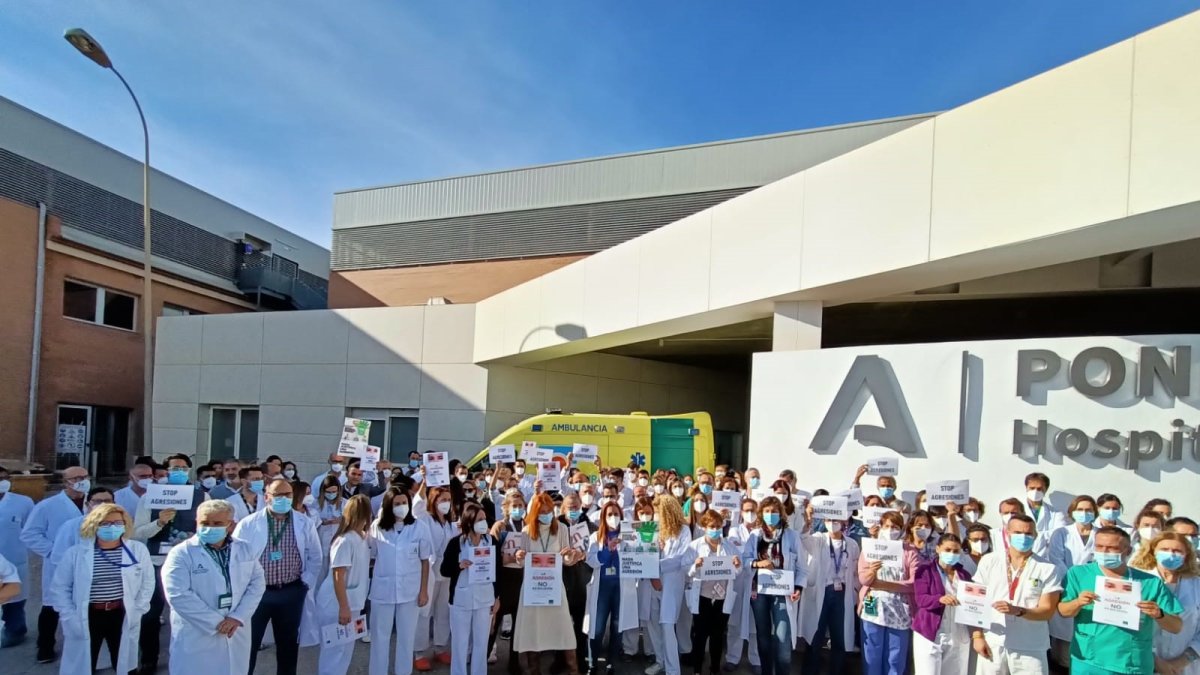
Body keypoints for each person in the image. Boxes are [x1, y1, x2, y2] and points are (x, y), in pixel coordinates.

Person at [1059, 525, 1183, 674]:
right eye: (1099, 546)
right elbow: (1063, 611)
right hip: (1089, 659)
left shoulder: (1150, 582)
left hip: (1132, 662)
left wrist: (1159, 614)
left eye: (1112, 548)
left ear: (1128, 551)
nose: (1104, 552)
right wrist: (1078, 602)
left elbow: (1176, 627)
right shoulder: (1078, 574)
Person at [162, 499, 266, 675]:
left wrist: (237, 617)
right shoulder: (181, 553)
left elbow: (257, 583)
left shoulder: (244, 548)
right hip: (198, 632)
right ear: (196, 523)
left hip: (235, 627)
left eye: (217, 523)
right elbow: (177, 594)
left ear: (231, 525)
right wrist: (216, 623)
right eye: (204, 523)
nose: (210, 528)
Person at [49, 503, 155, 675]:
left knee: (124, 665)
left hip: (122, 612)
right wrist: (68, 615)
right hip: (88, 614)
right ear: (93, 525)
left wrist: (139, 609)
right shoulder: (75, 553)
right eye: (105, 524)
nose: (112, 527)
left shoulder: (137, 550)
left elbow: (148, 582)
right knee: (83, 665)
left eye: (117, 523)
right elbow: (60, 588)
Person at [233, 477, 323, 675]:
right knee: (249, 644)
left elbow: (316, 556)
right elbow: (237, 560)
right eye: (278, 495)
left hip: (291, 592)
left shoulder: (304, 523)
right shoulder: (248, 524)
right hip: (258, 594)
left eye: (288, 495)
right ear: (267, 497)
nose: (284, 499)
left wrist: (304, 584)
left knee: (288, 646)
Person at [133, 451, 208, 674]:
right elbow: (137, 532)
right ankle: (149, 658)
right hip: (156, 561)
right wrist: (159, 522)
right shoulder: (150, 497)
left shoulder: (201, 497)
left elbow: (211, 525)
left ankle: (190, 657)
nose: (178, 472)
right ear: (166, 472)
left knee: (191, 613)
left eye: (182, 468)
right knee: (151, 615)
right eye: (174, 469)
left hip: (189, 562)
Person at [970, 513, 1062, 675]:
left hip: (1030, 645)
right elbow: (976, 601)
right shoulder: (989, 560)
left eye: (1028, 533)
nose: (1023, 537)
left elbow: (1047, 610)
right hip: (994, 640)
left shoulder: (1047, 568)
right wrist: (977, 636)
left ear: (1035, 535)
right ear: (1007, 533)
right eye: (1018, 533)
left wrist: (1018, 611)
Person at [20, 465, 89, 663]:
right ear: (65, 482)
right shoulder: (48, 506)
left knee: (83, 603)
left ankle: (82, 645)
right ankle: (45, 646)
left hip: (88, 560)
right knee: (52, 605)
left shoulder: (92, 502)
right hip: (58, 563)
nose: (81, 480)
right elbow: (30, 533)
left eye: (84, 476)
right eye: (76, 478)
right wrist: (52, 551)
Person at [513, 492, 584, 675]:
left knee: (565, 633)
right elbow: (522, 561)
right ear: (535, 513)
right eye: (542, 512)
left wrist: (570, 556)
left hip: (554, 588)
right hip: (533, 589)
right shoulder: (527, 531)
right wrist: (519, 556)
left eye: (549, 511)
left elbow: (567, 560)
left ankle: (573, 670)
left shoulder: (561, 529)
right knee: (533, 635)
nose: (546, 515)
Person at [369, 486, 432, 675]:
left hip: (410, 592)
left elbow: (425, 561)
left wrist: (423, 591)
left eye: (404, 503)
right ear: (389, 505)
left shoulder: (419, 527)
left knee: (406, 638)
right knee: (380, 637)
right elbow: (372, 554)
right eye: (397, 504)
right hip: (383, 590)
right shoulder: (377, 526)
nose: (401, 507)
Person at [745, 496, 806, 675]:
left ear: (781, 514)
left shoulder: (792, 536)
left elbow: (802, 568)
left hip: (782, 593)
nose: (771, 515)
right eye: (767, 511)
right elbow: (745, 559)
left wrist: (798, 588)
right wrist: (758, 563)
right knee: (763, 639)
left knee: (782, 640)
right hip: (760, 593)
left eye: (775, 511)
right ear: (761, 514)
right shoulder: (755, 536)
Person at [440, 502, 502, 675]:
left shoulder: (491, 542)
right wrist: (459, 565)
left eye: (484, 519)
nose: (484, 522)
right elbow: (444, 570)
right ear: (469, 522)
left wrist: (497, 598)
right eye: (479, 519)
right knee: (460, 643)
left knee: (481, 643)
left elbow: (498, 571)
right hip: (461, 600)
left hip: (485, 599)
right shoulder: (456, 543)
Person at [316, 494, 372, 675]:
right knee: (334, 650)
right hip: (338, 604)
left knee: (345, 649)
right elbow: (338, 575)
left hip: (352, 602)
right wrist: (344, 607)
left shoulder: (361, 538)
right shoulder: (345, 541)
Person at [1130, 531, 1200, 674]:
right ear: (1153, 551)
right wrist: (1156, 662)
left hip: (1185, 667)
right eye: (1164, 549)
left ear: (1186, 555)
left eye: (1177, 551)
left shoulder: (1196, 585)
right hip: (1143, 662)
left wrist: (1180, 662)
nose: (1171, 554)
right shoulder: (1136, 581)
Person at [857, 510, 918, 675]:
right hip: (872, 602)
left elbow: (913, 583)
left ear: (902, 529)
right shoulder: (870, 548)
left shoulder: (909, 551)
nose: (891, 530)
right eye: (887, 526)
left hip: (900, 607)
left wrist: (882, 584)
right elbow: (864, 579)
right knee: (872, 652)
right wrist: (871, 572)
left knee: (895, 655)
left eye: (895, 527)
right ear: (881, 527)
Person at [686, 509, 744, 675]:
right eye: (712, 526)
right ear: (704, 526)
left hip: (721, 597)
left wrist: (737, 564)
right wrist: (694, 566)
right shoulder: (694, 546)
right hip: (702, 596)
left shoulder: (729, 546)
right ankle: (697, 670)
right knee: (700, 635)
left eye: (719, 526)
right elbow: (685, 570)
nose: (716, 529)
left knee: (717, 636)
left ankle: (715, 669)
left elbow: (738, 571)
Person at [800, 515, 860, 675]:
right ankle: (810, 671)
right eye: (828, 520)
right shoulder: (819, 539)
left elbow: (855, 572)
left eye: (836, 520)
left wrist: (856, 592)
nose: (832, 524)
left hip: (842, 595)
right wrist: (807, 525)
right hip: (822, 592)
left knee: (839, 638)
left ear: (844, 522)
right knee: (816, 636)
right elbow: (806, 541)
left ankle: (837, 670)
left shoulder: (852, 544)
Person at [1046, 494, 1098, 667]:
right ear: (1072, 512)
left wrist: (1087, 582)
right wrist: (1074, 581)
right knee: (1063, 649)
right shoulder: (1062, 533)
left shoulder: (1100, 535)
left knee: (1089, 641)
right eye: (1080, 510)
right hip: (1066, 586)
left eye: (1089, 510)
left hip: (1093, 590)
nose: (1084, 513)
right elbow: (1056, 559)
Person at [586, 500, 637, 675]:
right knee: (597, 629)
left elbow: (641, 557)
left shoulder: (630, 535)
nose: (613, 518)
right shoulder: (596, 537)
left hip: (622, 589)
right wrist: (608, 549)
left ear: (622, 517)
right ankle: (592, 664)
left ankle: (610, 664)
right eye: (609, 514)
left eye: (616, 514)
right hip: (602, 588)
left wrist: (652, 548)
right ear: (603, 517)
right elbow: (592, 561)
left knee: (618, 627)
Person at [912, 533, 973, 675]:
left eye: (956, 551)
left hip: (957, 632)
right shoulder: (925, 570)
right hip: (930, 632)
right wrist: (939, 599)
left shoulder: (964, 574)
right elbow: (921, 599)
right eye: (947, 550)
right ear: (938, 549)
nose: (951, 554)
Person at [415, 486, 456, 670]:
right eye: (442, 500)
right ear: (433, 501)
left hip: (447, 571)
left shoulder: (450, 523)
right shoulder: (425, 519)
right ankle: (419, 652)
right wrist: (424, 481)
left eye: (448, 500)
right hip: (429, 570)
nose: (446, 503)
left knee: (443, 611)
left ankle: (440, 647)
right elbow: (416, 508)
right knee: (425, 612)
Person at [488, 488, 528, 674]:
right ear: (507, 508)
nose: (518, 509)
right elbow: (492, 555)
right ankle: (484, 655)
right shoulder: (500, 526)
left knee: (519, 625)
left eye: (521, 506)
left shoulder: (528, 526)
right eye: (515, 506)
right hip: (503, 579)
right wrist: (508, 558)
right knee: (494, 623)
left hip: (522, 579)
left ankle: (514, 662)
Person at [559, 492, 596, 673]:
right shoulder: (555, 526)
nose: (573, 510)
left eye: (576, 507)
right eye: (569, 507)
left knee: (581, 627)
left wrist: (584, 554)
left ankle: (580, 662)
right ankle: (559, 661)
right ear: (563, 508)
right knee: (560, 626)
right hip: (561, 584)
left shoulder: (591, 526)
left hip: (582, 583)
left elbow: (597, 550)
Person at [725, 498, 761, 673]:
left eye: (753, 510)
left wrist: (748, 557)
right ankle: (732, 657)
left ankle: (756, 659)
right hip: (738, 582)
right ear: (741, 511)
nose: (750, 513)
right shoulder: (734, 530)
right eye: (746, 510)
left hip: (757, 581)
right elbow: (735, 553)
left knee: (756, 623)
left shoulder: (763, 532)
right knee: (735, 622)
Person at [0, 465, 34, 647]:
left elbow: (31, 530)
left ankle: (16, 630)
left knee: (14, 598)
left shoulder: (23, 502)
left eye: (6, 478)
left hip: (14, 559)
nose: (3, 482)